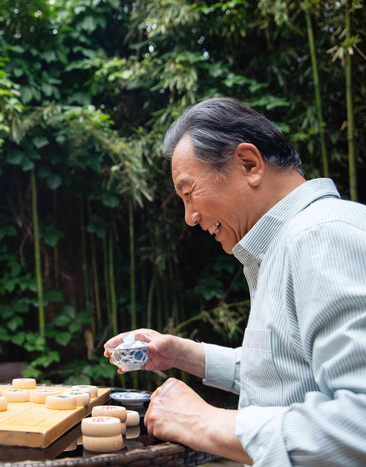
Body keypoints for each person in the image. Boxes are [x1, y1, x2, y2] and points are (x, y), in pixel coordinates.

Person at [104, 97, 366, 466]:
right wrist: (181, 354)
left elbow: (358, 421)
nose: (189, 218)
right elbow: (287, 375)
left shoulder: (323, 237)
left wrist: (202, 421)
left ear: (249, 164)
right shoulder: (284, 245)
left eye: (189, 193)